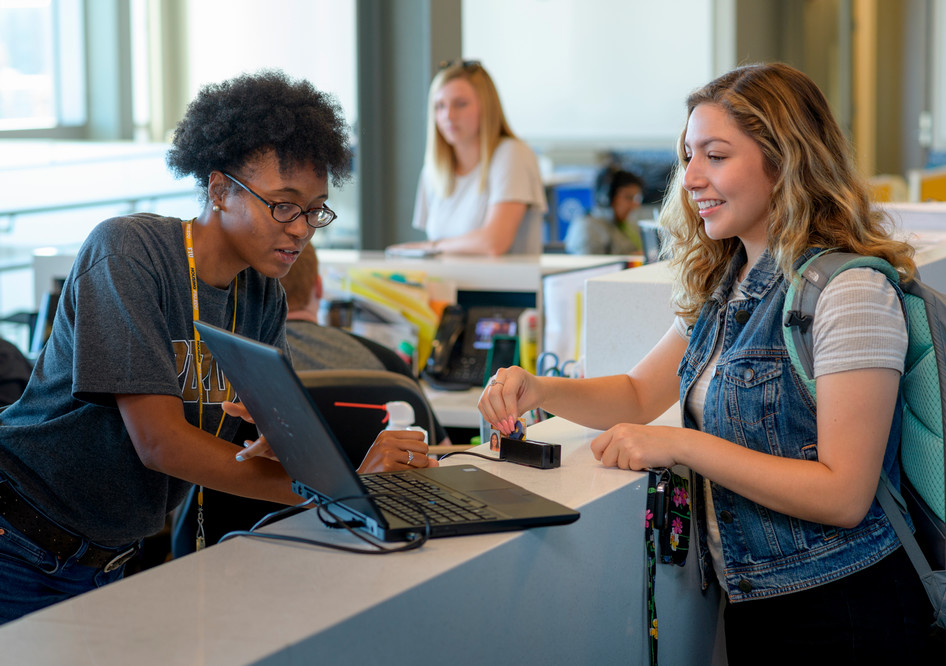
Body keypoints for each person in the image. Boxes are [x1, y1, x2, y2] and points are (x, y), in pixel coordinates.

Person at [479, 63, 934, 661]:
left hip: (845, 606)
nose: (690, 178)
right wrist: (538, 389)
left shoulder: (848, 293)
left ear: (786, 161)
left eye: (715, 156)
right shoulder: (730, 281)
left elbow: (844, 495)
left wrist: (682, 447)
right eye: (688, 155)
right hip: (756, 601)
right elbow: (640, 394)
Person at [0, 70, 436, 624]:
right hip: (18, 542)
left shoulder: (263, 297)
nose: (302, 228)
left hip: (110, 561)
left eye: (315, 209)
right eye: (283, 204)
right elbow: (160, 444)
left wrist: (311, 453)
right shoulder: (129, 252)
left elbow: (268, 437)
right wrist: (338, 492)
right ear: (220, 188)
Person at [280, 241, 450, 446]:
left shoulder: (248, 363)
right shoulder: (387, 362)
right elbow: (441, 451)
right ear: (319, 287)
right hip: (384, 478)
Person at [387, 60, 547, 256]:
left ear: (486, 108)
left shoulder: (511, 153)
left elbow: (494, 243)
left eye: (460, 104)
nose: (449, 116)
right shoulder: (433, 171)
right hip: (448, 284)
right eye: (439, 106)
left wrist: (431, 248)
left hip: (502, 286)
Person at [563, 166, 645, 255]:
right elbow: (591, 267)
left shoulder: (626, 224)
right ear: (607, 198)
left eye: (636, 199)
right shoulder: (588, 228)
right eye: (628, 197)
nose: (635, 205)